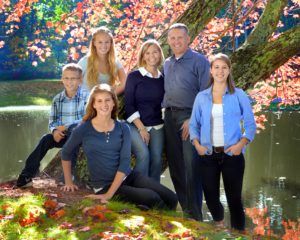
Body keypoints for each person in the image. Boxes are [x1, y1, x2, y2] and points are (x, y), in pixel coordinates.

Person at [61, 84, 177, 210]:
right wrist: (68, 182)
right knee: (152, 198)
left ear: (113, 103)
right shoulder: (84, 129)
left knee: (171, 197)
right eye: (99, 101)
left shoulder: (123, 128)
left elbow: (125, 162)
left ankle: (158, 215)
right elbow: (66, 152)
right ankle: (155, 219)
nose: (104, 104)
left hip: (128, 176)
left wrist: (110, 195)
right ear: (93, 104)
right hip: (105, 185)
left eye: (107, 100)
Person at [189, 53, 257, 230]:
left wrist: (240, 145)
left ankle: (238, 234)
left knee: (234, 199)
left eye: (224, 67)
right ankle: (219, 222)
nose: (220, 71)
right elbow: (193, 125)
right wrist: (197, 145)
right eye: (216, 67)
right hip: (208, 155)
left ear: (229, 71)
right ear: (211, 70)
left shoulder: (239, 95)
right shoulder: (201, 97)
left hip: (232, 155)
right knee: (210, 196)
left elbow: (250, 124)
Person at [162, 23, 210, 220]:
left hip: (190, 116)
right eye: (172, 38)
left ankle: (196, 215)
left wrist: (193, 120)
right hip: (169, 117)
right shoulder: (167, 63)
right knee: (175, 166)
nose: (176, 41)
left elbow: (207, 94)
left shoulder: (199, 61)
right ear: (168, 41)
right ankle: (186, 211)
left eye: (179, 37)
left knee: (192, 165)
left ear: (188, 39)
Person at [16, 63, 89, 188]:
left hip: (82, 135)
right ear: (62, 79)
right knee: (46, 139)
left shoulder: (86, 96)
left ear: (80, 80)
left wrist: (65, 126)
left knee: (74, 129)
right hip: (64, 136)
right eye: (66, 78)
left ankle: (67, 175)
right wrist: (55, 130)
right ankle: (27, 174)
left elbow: (86, 118)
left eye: (73, 78)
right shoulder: (57, 99)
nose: (69, 81)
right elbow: (52, 121)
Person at [124, 39, 165, 182]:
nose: (151, 56)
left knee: (157, 158)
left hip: (157, 124)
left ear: (160, 54)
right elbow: (129, 105)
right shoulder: (134, 76)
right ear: (142, 56)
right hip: (136, 125)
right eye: (147, 53)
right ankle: (139, 191)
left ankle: (153, 192)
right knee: (144, 155)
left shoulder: (162, 78)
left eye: (155, 52)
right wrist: (141, 128)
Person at [78, 26, 126, 94]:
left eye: (107, 42)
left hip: (104, 103)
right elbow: (72, 82)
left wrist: (111, 95)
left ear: (111, 43)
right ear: (94, 43)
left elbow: (125, 82)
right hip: (85, 102)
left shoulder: (115, 61)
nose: (103, 45)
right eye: (100, 42)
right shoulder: (85, 62)